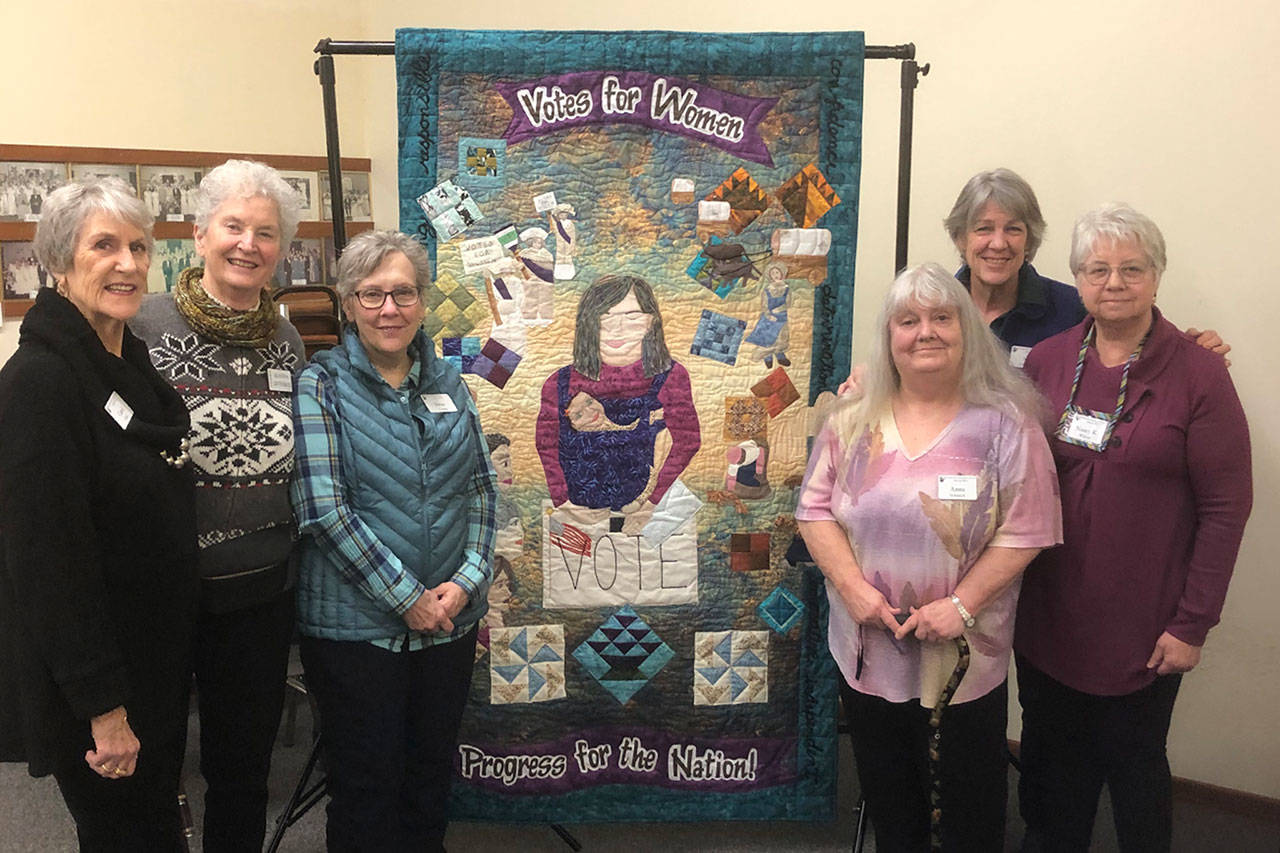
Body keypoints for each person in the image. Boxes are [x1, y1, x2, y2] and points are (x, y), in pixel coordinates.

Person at [796, 262, 1062, 851]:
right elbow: (814, 513)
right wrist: (852, 588)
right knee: (892, 800)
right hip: (868, 647)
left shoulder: (1006, 424)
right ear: (889, 337)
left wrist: (961, 607)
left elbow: (1030, 528)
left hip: (962, 654)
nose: (926, 332)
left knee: (968, 808)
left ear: (966, 330)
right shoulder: (850, 421)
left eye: (943, 318)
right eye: (909, 320)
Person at [1015, 204, 1252, 852]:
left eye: (1131, 268)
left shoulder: (1200, 374)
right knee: (1055, 772)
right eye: (1098, 269)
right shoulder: (1047, 360)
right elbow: (1013, 472)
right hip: (1049, 615)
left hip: (1146, 628)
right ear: (1078, 279)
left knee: (1136, 773)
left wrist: (1192, 622)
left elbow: (1227, 507)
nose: (1114, 281)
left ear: (1156, 275)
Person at [0, 178, 199, 849]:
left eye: (139, 246)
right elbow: (50, 565)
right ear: (59, 263)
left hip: (150, 664)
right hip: (98, 686)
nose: (128, 263)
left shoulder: (127, 363)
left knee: (149, 830)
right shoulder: (40, 384)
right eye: (104, 245)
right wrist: (105, 711)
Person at [291, 229, 497, 852]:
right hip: (358, 634)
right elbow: (323, 509)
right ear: (349, 304)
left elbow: (483, 491)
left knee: (429, 779)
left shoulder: (451, 384)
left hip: (448, 626)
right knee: (366, 787)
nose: (389, 309)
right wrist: (409, 598)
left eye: (403, 293)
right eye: (372, 295)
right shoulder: (319, 385)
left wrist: (465, 584)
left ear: (422, 300)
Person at [129, 159, 304, 851]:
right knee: (151, 764)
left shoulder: (288, 341)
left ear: (281, 250)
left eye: (265, 232)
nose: (248, 244)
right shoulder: (141, 325)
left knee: (242, 768)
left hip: (258, 591)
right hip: (160, 590)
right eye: (233, 225)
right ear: (200, 233)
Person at [536, 273, 701, 530]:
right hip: (579, 514)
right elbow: (546, 444)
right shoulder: (559, 383)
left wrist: (652, 504)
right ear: (587, 323)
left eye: (632, 316)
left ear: (651, 321)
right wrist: (564, 503)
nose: (617, 328)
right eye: (605, 317)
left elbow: (688, 441)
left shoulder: (672, 376)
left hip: (645, 512)